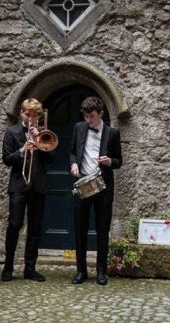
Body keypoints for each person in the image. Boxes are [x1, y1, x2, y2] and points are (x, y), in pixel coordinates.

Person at [69, 96, 122, 285]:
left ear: (101, 114)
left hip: (103, 188)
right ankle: (81, 271)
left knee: (102, 229)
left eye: (91, 116)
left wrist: (109, 161)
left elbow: (119, 161)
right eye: (86, 116)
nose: (88, 120)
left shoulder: (113, 133)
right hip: (83, 184)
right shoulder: (79, 128)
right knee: (80, 229)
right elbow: (72, 152)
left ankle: (101, 272)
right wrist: (73, 164)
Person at [1, 98, 51, 282]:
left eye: (35, 115)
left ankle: (30, 269)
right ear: (21, 113)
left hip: (38, 185)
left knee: (35, 228)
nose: (31, 119)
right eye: (28, 114)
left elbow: (52, 159)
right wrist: (22, 150)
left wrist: (40, 142)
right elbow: (6, 159)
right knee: (14, 225)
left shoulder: (43, 133)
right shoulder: (12, 132)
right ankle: (8, 267)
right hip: (18, 185)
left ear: (39, 116)